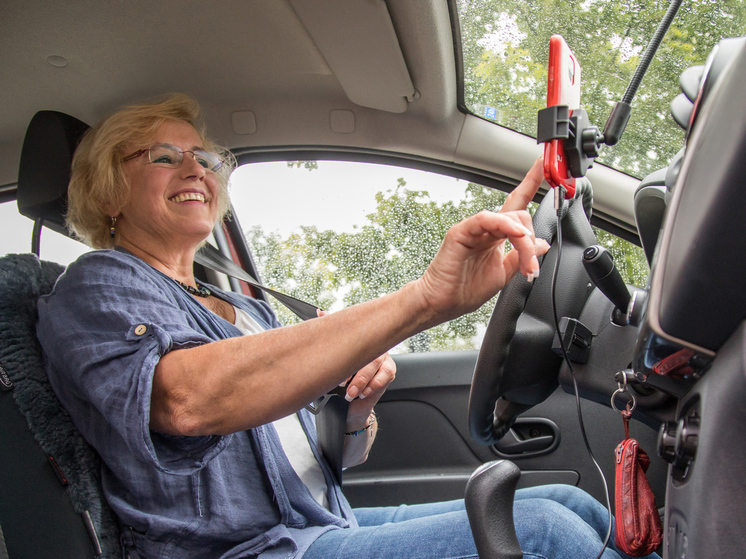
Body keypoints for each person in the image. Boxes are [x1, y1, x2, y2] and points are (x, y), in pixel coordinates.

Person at [36, 93, 658, 559]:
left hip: (317, 523)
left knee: (567, 503)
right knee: (545, 534)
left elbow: (328, 456)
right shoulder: (98, 286)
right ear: (109, 189)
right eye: (165, 157)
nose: (196, 169)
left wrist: (356, 409)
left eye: (205, 158)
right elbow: (189, 402)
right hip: (246, 552)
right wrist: (423, 301)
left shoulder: (245, 307)